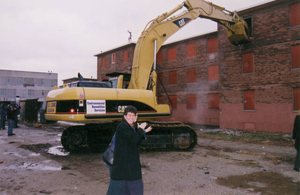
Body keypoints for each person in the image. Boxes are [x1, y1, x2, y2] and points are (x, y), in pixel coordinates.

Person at [107, 105, 152, 195]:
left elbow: (135, 141)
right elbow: (134, 139)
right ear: (124, 116)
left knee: (126, 189)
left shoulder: (130, 127)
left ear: (136, 117)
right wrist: (141, 130)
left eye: (133, 115)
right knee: (134, 188)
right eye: (129, 115)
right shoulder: (123, 126)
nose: (131, 117)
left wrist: (142, 132)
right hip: (126, 166)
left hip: (126, 167)